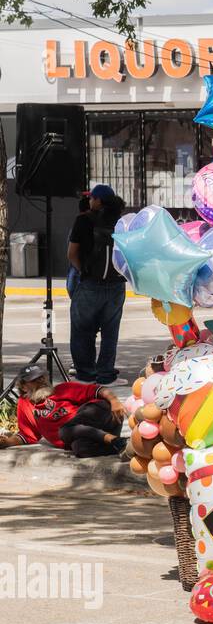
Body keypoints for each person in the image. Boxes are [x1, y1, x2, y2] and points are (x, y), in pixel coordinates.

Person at [67, 184, 127, 383]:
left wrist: (82, 269)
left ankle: (86, 374)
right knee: (110, 333)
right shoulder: (122, 223)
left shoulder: (83, 220)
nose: (89, 200)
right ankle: (106, 374)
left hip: (90, 283)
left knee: (82, 331)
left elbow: (72, 254)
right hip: (117, 285)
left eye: (92, 197)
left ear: (98, 201)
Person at [0, 364, 127, 458]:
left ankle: (114, 440)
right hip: (89, 436)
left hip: (106, 418)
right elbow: (27, 436)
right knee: (79, 448)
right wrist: (7, 442)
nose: (41, 381)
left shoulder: (63, 389)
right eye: (34, 380)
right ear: (23, 386)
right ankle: (119, 444)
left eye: (42, 377)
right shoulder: (25, 404)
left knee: (65, 430)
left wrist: (114, 400)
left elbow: (98, 390)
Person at [66, 195, 92, 296]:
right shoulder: (83, 224)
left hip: (76, 270)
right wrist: (82, 270)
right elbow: (72, 254)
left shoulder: (75, 227)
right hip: (81, 271)